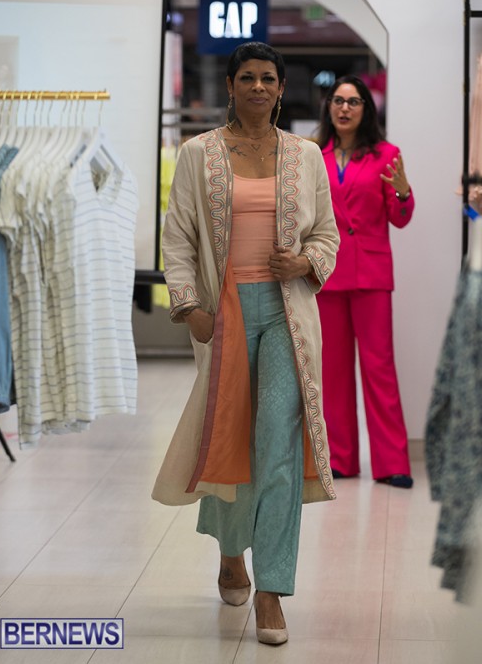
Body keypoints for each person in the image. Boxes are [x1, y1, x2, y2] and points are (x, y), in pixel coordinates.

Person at [152, 41, 339, 645]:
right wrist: (189, 307)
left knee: (278, 445)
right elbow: (178, 236)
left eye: (268, 79)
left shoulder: (306, 155)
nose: (259, 87)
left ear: (281, 89)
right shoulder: (197, 153)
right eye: (248, 78)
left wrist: (305, 261)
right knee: (230, 436)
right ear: (231, 86)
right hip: (224, 313)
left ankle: (272, 590)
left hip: (288, 314)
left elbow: (328, 234)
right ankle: (231, 551)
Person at [316, 74, 415, 488]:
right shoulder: (314, 156)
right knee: (333, 372)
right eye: (338, 101)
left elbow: (400, 218)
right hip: (328, 274)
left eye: (353, 102)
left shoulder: (387, 155)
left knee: (379, 369)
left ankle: (393, 463)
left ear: (366, 109)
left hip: (372, 275)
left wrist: (404, 193)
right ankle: (341, 459)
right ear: (329, 107)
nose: (344, 108)